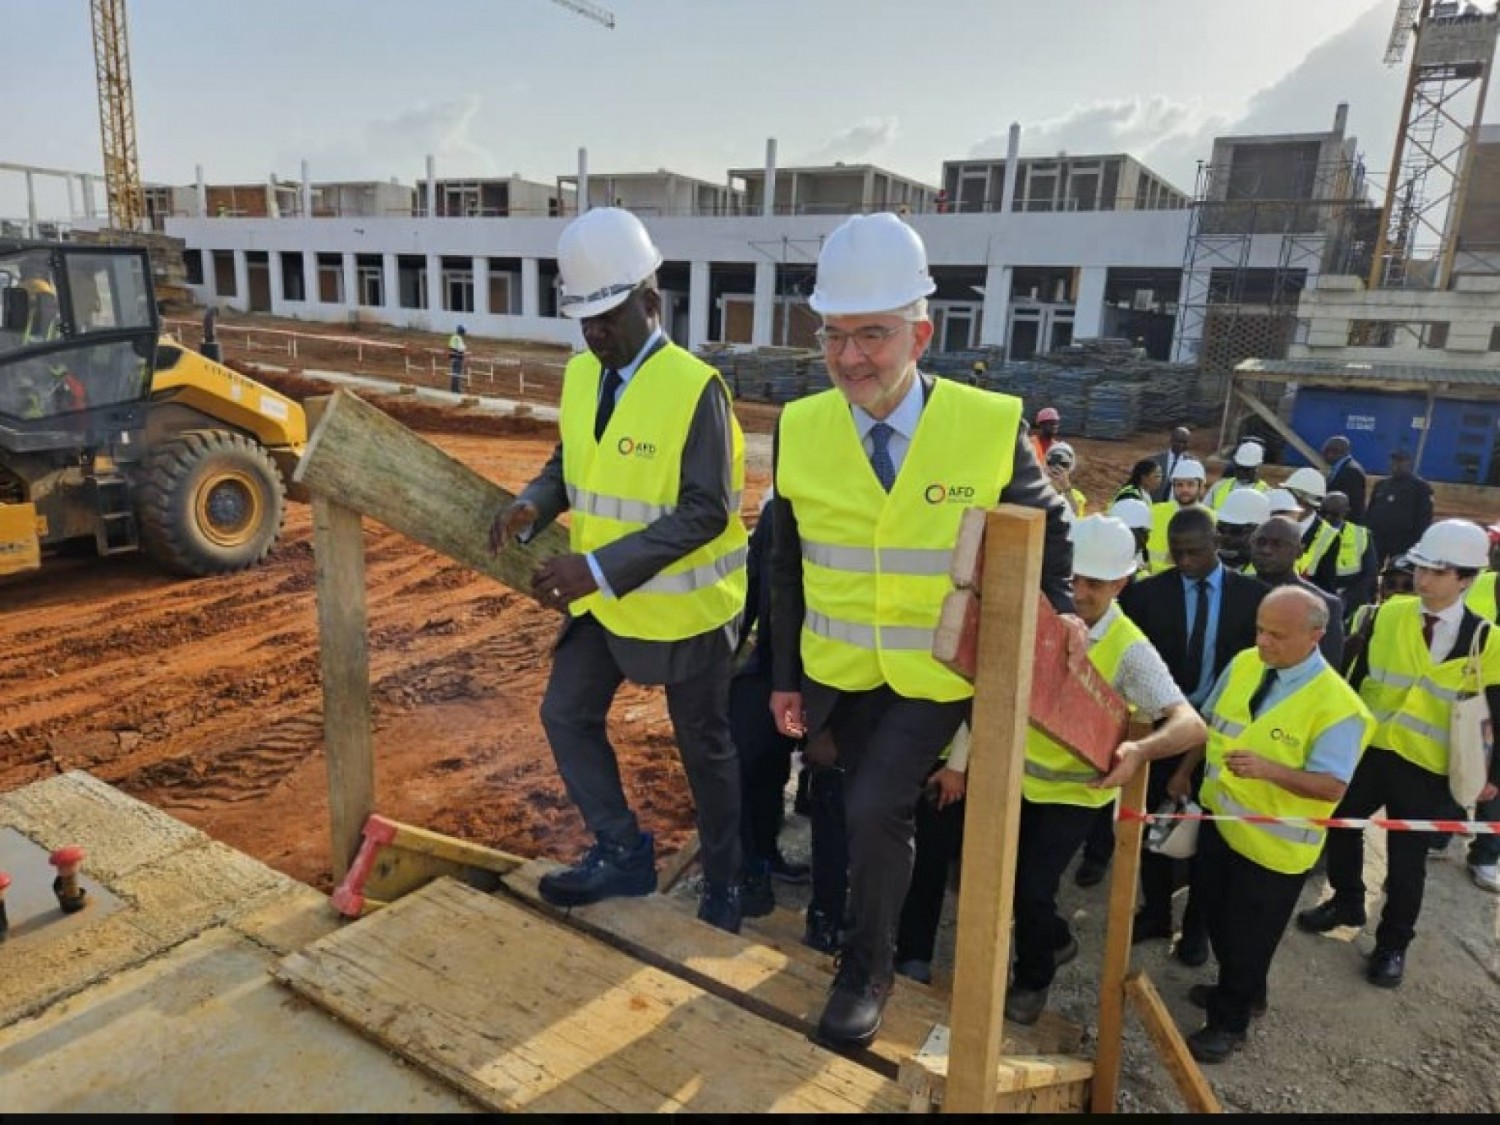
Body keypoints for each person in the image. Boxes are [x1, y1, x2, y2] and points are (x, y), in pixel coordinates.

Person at [768, 212, 1081, 1048]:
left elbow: (1049, 526)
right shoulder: (800, 427)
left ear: (921, 331)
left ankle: (868, 967)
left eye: (872, 334)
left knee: (876, 807)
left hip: (934, 675)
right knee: (840, 802)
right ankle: (851, 925)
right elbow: (784, 561)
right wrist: (782, 674)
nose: (850, 357)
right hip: (838, 670)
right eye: (834, 335)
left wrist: (1067, 616)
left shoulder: (984, 424)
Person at [487, 208, 749, 932]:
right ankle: (623, 850)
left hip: (684, 610)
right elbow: (570, 466)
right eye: (585, 320)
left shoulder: (696, 388)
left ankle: (727, 880)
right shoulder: (580, 376)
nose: (595, 333)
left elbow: (709, 510)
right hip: (604, 604)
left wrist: (597, 567)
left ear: (650, 300)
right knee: (565, 714)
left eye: (607, 317)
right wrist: (531, 506)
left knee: (705, 750)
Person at [1005, 516, 1206, 1025]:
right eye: (1075, 578)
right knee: (1008, 887)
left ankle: (1033, 979)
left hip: (1074, 795)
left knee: (1032, 890)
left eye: (1095, 582)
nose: (1081, 591)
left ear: (1121, 583)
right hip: (1015, 780)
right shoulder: (1043, 615)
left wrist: (1140, 752)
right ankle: (1052, 941)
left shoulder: (1129, 648)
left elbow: (1189, 724)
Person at [1173, 586, 1373, 1064]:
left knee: (1248, 938)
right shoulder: (1246, 663)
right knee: (1220, 920)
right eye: (1260, 629)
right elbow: (1210, 723)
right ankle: (1242, 990)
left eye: (1277, 635)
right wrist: (1183, 771)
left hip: (1274, 852)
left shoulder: (1338, 706)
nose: (1263, 641)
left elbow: (1331, 787)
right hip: (1222, 826)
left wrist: (1270, 770)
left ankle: (1230, 1022)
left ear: (1316, 637)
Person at [1297, 520, 1500, 987]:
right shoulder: (1387, 615)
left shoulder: (1486, 640)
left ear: (1467, 578)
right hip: (1370, 752)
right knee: (1340, 825)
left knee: (1407, 865)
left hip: (1426, 767)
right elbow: (1356, 679)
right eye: (1422, 567)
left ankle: (1392, 944)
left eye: (1439, 572)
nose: (1423, 579)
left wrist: (1493, 774)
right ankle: (1347, 901)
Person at [1119, 507, 1268, 966]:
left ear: (1216, 541)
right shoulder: (1146, 596)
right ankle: (1157, 910)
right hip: (1166, 730)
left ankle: (1198, 926)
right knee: (1157, 827)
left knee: (1211, 838)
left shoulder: (1254, 598)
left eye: (1195, 552)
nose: (1184, 562)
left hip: (1227, 740)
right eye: (1177, 553)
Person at [734, 490, 808, 918]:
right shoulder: (776, 515)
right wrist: (727, 656)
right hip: (773, 666)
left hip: (832, 670)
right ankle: (751, 867)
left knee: (811, 770)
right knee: (753, 763)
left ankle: (830, 912)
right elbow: (754, 586)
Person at [1245, 517, 1344, 668]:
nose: (1266, 550)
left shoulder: (1323, 604)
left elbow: (1326, 668)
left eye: (1277, 544)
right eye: (1261, 542)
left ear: (1299, 552)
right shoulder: (1232, 588)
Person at [1366, 449, 1433, 567]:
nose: (1396, 466)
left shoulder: (1420, 487)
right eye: (1393, 462)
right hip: (1378, 539)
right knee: (1371, 569)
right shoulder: (1381, 485)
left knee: (1398, 572)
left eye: (1400, 462)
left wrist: (1417, 542)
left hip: (1403, 542)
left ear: (1409, 464)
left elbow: (1424, 517)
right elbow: (1371, 510)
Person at [1318, 491, 1378, 621]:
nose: (1327, 518)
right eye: (1323, 513)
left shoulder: (1361, 534)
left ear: (1346, 512)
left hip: (1352, 599)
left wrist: (1347, 597)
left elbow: (1370, 573)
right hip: (1318, 594)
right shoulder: (1312, 532)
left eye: (1334, 514)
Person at [1144, 458, 1210, 574]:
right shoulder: (1154, 512)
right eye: (1179, 485)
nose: (1184, 489)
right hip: (1155, 581)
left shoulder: (1212, 518)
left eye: (1190, 484)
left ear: (1201, 487)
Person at [1214, 488, 1272, 573]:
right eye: (1220, 529)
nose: (1225, 537)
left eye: (1236, 531)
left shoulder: (1271, 576)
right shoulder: (1200, 570)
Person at [1205, 440, 1268, 512]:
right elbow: (1204, 514)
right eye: (1240, 468)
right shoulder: (1219, 486)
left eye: (1247, 470)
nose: (1243, 473)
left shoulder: (1266, 492)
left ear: (1258, 467)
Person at [1322, 435, 1367, 522]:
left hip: (1345, 524)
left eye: (1325, 451)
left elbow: (1354, 504)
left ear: (1334, 451)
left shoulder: (1352, 471)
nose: (1323, 455)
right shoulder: (1338, 468)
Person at [1150, 427, 1193, 503]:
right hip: (1156, 506)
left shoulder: (1192, 463)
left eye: (1185, 442)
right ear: (1171, 441)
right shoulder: (1155, 461)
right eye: (1179, 441)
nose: (1182, 445)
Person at [1046, 441, 1087, 517]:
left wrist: (1066, 487)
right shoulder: (1038, 489)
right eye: (1054, 461)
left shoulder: (1077, 496)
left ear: (1069, 469)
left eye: (1064, 464)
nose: (1058, 467)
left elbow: (1076, 516)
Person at [448, 325, 469, 394]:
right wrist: (465, 351)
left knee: (454, 373)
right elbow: (461, 348)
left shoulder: (453, 337)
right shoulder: (458, 338)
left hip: (452, 356)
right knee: (457, 374)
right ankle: (456, 389)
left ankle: (453, 388)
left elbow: (450, 346)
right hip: (458, 357)